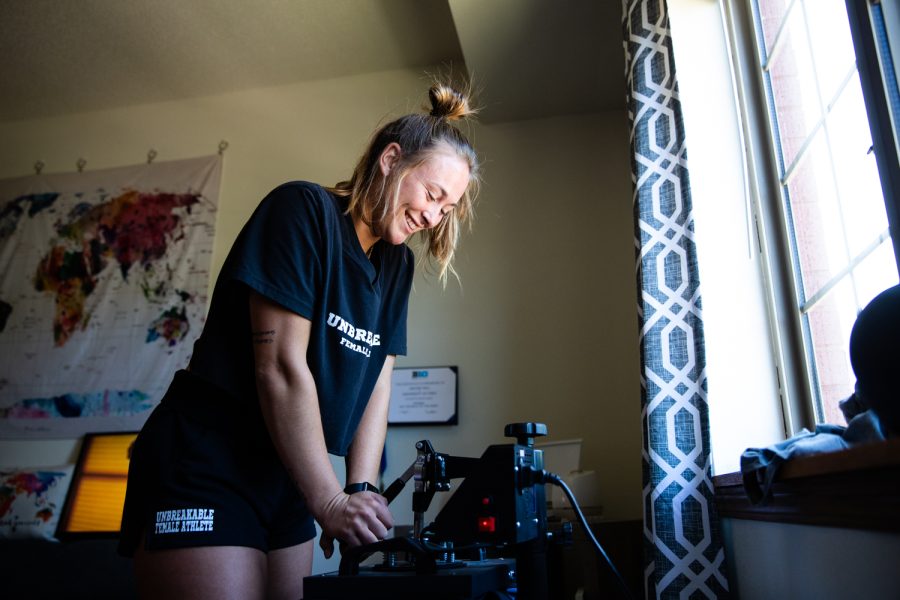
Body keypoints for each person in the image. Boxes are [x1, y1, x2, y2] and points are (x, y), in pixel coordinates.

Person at [117, 82, 480, 599]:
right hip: (209, 456)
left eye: (446, 209)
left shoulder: (395, 263)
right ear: (391, 160)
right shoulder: (301, 211)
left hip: (286, 469)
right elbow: (281, 367)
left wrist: (359, 489)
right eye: (432, 195)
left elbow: (378, 380)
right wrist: (329, 502)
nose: (433, 216)